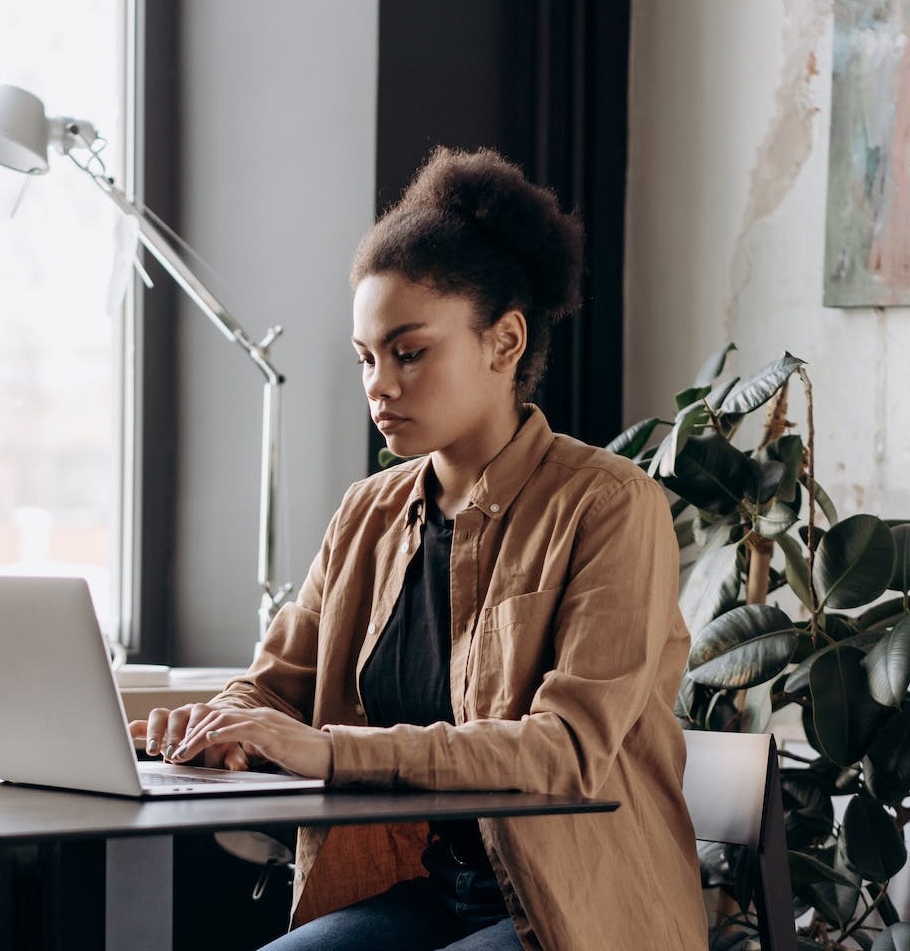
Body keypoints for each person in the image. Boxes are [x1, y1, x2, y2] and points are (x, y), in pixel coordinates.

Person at [129, 146, 708, 951]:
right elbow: (272, 690)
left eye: (409, 352)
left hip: (575, 909)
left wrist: (327, 751)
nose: (380, 386)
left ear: (504, 342)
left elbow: (566, 750)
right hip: (428, 894)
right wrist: (211, 725)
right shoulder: (366, 515)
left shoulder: (608, 504)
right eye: (366, 358)